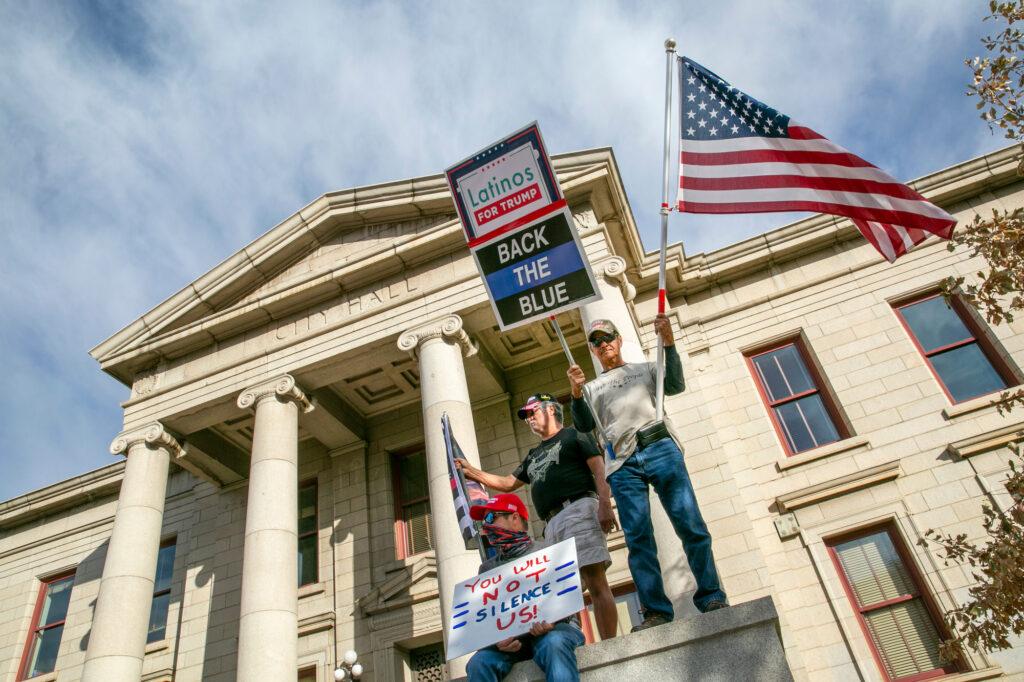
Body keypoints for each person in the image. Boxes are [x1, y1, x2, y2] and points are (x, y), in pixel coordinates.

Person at [568, 317, 728, 631]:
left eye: (608, 338)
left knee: (689, 523)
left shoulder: (645, 368)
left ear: (619, 339)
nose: (604, 345)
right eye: (597, 342)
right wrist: (575, 394)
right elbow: (585, 426)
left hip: (659, 447)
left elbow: (675, 385)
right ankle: (656, 611)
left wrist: (668, 343)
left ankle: (711, 595)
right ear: (593, 349)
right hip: (622, 464)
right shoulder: (590, 387)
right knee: (639, 539)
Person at [456, 394, 618, 640]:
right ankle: (573, 640)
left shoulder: (575, 435)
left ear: (551, 409)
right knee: (562, 589)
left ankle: (610, 646)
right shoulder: (533, 454)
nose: (529, 419)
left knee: (594, 579)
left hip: (578, 508)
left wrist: (605, 504)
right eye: (526, 416)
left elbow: (599, 468)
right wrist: (471, 471)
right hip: (551, 524)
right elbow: (508, 483)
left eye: (533, 412)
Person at [465, 493, 585, 682]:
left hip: (556, 630)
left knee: (553, 643)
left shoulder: (550, 551)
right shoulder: (487, 569)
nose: (486, 527)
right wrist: (496, 641)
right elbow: (486, 619)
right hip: (514, 644)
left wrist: (553, 618)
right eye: (483, 522)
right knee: (478, 663)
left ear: (514, 518)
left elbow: (577, 586)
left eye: (490, 518)